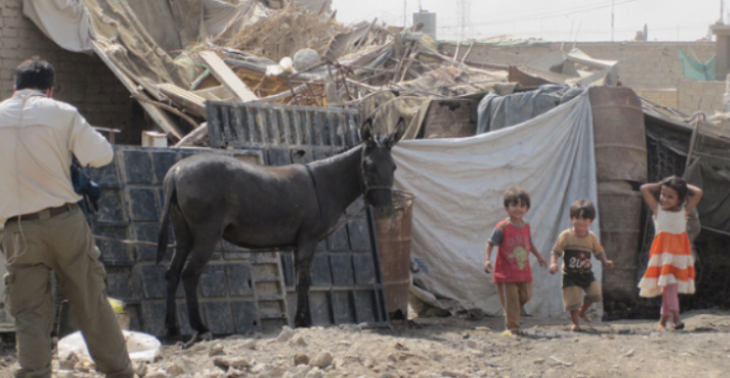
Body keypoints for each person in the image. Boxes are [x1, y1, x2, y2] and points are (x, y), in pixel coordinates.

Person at [0, 58, 133, 378]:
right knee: (90, 302)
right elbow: (102, 154)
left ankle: (34, 372)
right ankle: (118, 372)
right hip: (65, 223)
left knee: (29, 313)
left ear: (15, 87)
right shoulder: (62, 113)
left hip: (17, 231)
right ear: (50, 90)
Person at [637, 176, 703, 332]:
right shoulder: (657, 209)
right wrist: (661, 184)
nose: (664, 199)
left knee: (669, 287)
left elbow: (698, 192)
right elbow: (644, 188)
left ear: (680, 199)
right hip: (662, 255)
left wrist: (683, 185)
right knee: (669, 287)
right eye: (663, 194)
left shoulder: (684, 210)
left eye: (670, 196)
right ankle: (676, 319)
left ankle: (663, 323)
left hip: (679, 255)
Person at [484, 187, 547, 335]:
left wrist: (539, 256)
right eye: (514, 205)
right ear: (507, 207)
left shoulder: (526, 226)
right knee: (511, 300)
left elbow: (529, 244)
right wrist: (487, 260)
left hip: (523, 272)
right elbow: (490, 243)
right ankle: (512, 328)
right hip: (506, 273)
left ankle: (511, 313)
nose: (518, 209)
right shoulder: (503, 226)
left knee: (526, 296)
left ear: (527, 208)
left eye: (522, 205)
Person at [550, 199, 614, 332]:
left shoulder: (591, 237)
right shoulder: (566, 235)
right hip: (570, 274)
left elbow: (599, 251)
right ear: (571, 218)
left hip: (586, 273)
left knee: (596, 294)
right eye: (577, 218)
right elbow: (556, 251)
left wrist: (605, 261)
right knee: (573, 301)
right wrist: (553, 263)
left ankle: (582, 311)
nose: (581, 222)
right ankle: (575, 323)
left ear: (591, 221)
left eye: (585, 219)